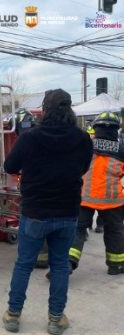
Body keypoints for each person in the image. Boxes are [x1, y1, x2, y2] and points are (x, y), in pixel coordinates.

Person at [1, 89, 93, 334]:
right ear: (69, 109)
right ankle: (55, 319)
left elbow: (9, 166)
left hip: (35, 212)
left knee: (24, 264)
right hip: (67, 211)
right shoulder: (82, 138)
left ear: (44, 109)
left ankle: (13, 315)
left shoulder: (30, 137)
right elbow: (83, 168)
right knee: (60, 265)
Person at [67, 112, 124, 275]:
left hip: (84, 197)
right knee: (115, 231)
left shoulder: (85, 145)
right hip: (112, 200)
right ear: (116, 129)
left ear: (96, 128)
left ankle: (68, 263)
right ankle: (117, 265)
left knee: (77, 230)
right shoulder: (122, 149)